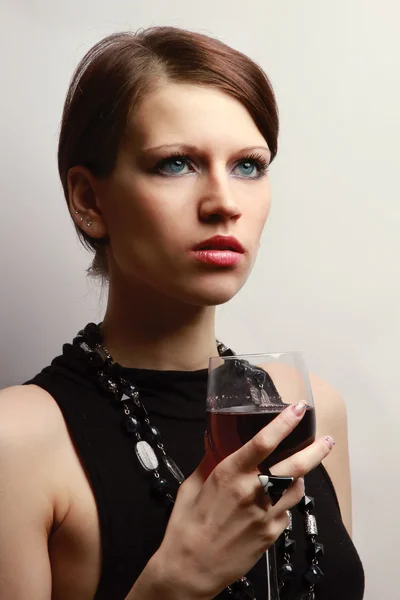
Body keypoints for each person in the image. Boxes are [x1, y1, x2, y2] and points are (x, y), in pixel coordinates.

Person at [0, 26, 364, 600]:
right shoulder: (15, 442)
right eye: (175, 163)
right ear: (89, 200)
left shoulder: (310, 406)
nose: (224, 201)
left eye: (248, 165)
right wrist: (175, 582)